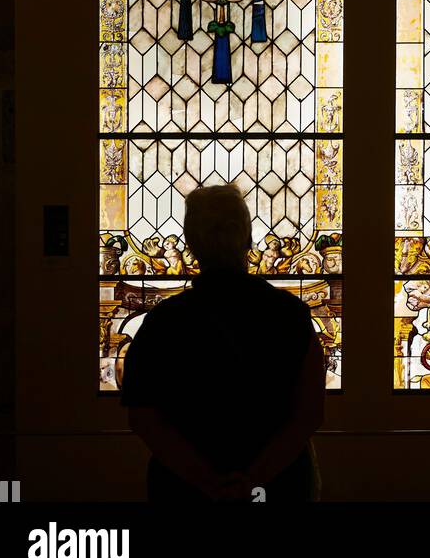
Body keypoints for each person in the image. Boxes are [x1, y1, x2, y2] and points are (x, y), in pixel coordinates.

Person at [120, 185, 325, 503]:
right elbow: (309, 413)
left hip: (185, 490)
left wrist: (206, 482)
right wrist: (252, 482)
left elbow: (143, 417)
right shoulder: (290, 315)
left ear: (191, 245)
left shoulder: (163, 323)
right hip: (278, 486)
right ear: (248, 239)